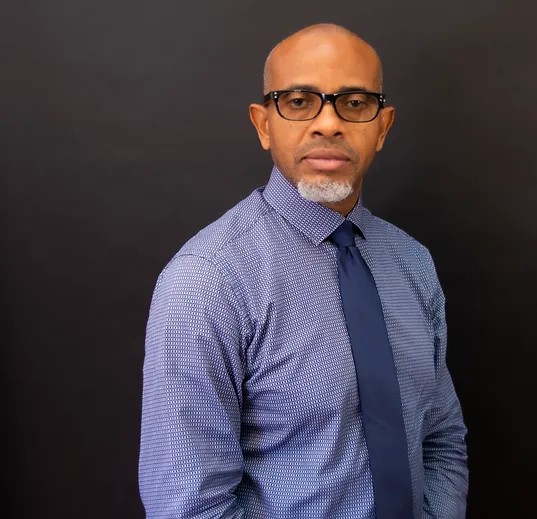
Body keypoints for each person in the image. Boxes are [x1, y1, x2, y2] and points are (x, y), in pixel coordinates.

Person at [139, 23, 468, 519]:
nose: (328, 124)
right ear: (263, 125)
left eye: (354, 102)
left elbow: (441, 439)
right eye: (298, 101)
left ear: (383, 127)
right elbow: (188, 506)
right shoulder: (206, 280)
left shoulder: (412, 262)